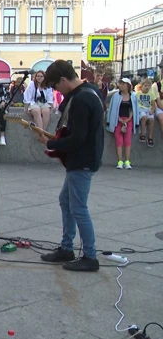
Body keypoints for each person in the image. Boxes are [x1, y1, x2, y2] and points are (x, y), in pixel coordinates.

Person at [37, 59, 104, 272]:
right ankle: (67, 247)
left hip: (82, 160)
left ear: (64, 80)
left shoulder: (82, 100)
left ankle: (90, 256)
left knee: (78, 208)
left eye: (56, 86)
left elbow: (77, 138)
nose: (57, 90)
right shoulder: (89, 91)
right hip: (83, 158)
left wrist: (51, 142)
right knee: (65, 201)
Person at [105, 78, 138, 169]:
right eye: (121, 83)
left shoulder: (133, 96)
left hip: (128, 120)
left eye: (124, 84)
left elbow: (133, 109)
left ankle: (127, 161)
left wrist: (128, 119)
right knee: (119, 141)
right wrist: (119, 119)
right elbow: (113, 109)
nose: (122, 85)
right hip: (117, 120)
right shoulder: (116, 96)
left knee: (127, 141)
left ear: (128, 85)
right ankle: (120, 161)